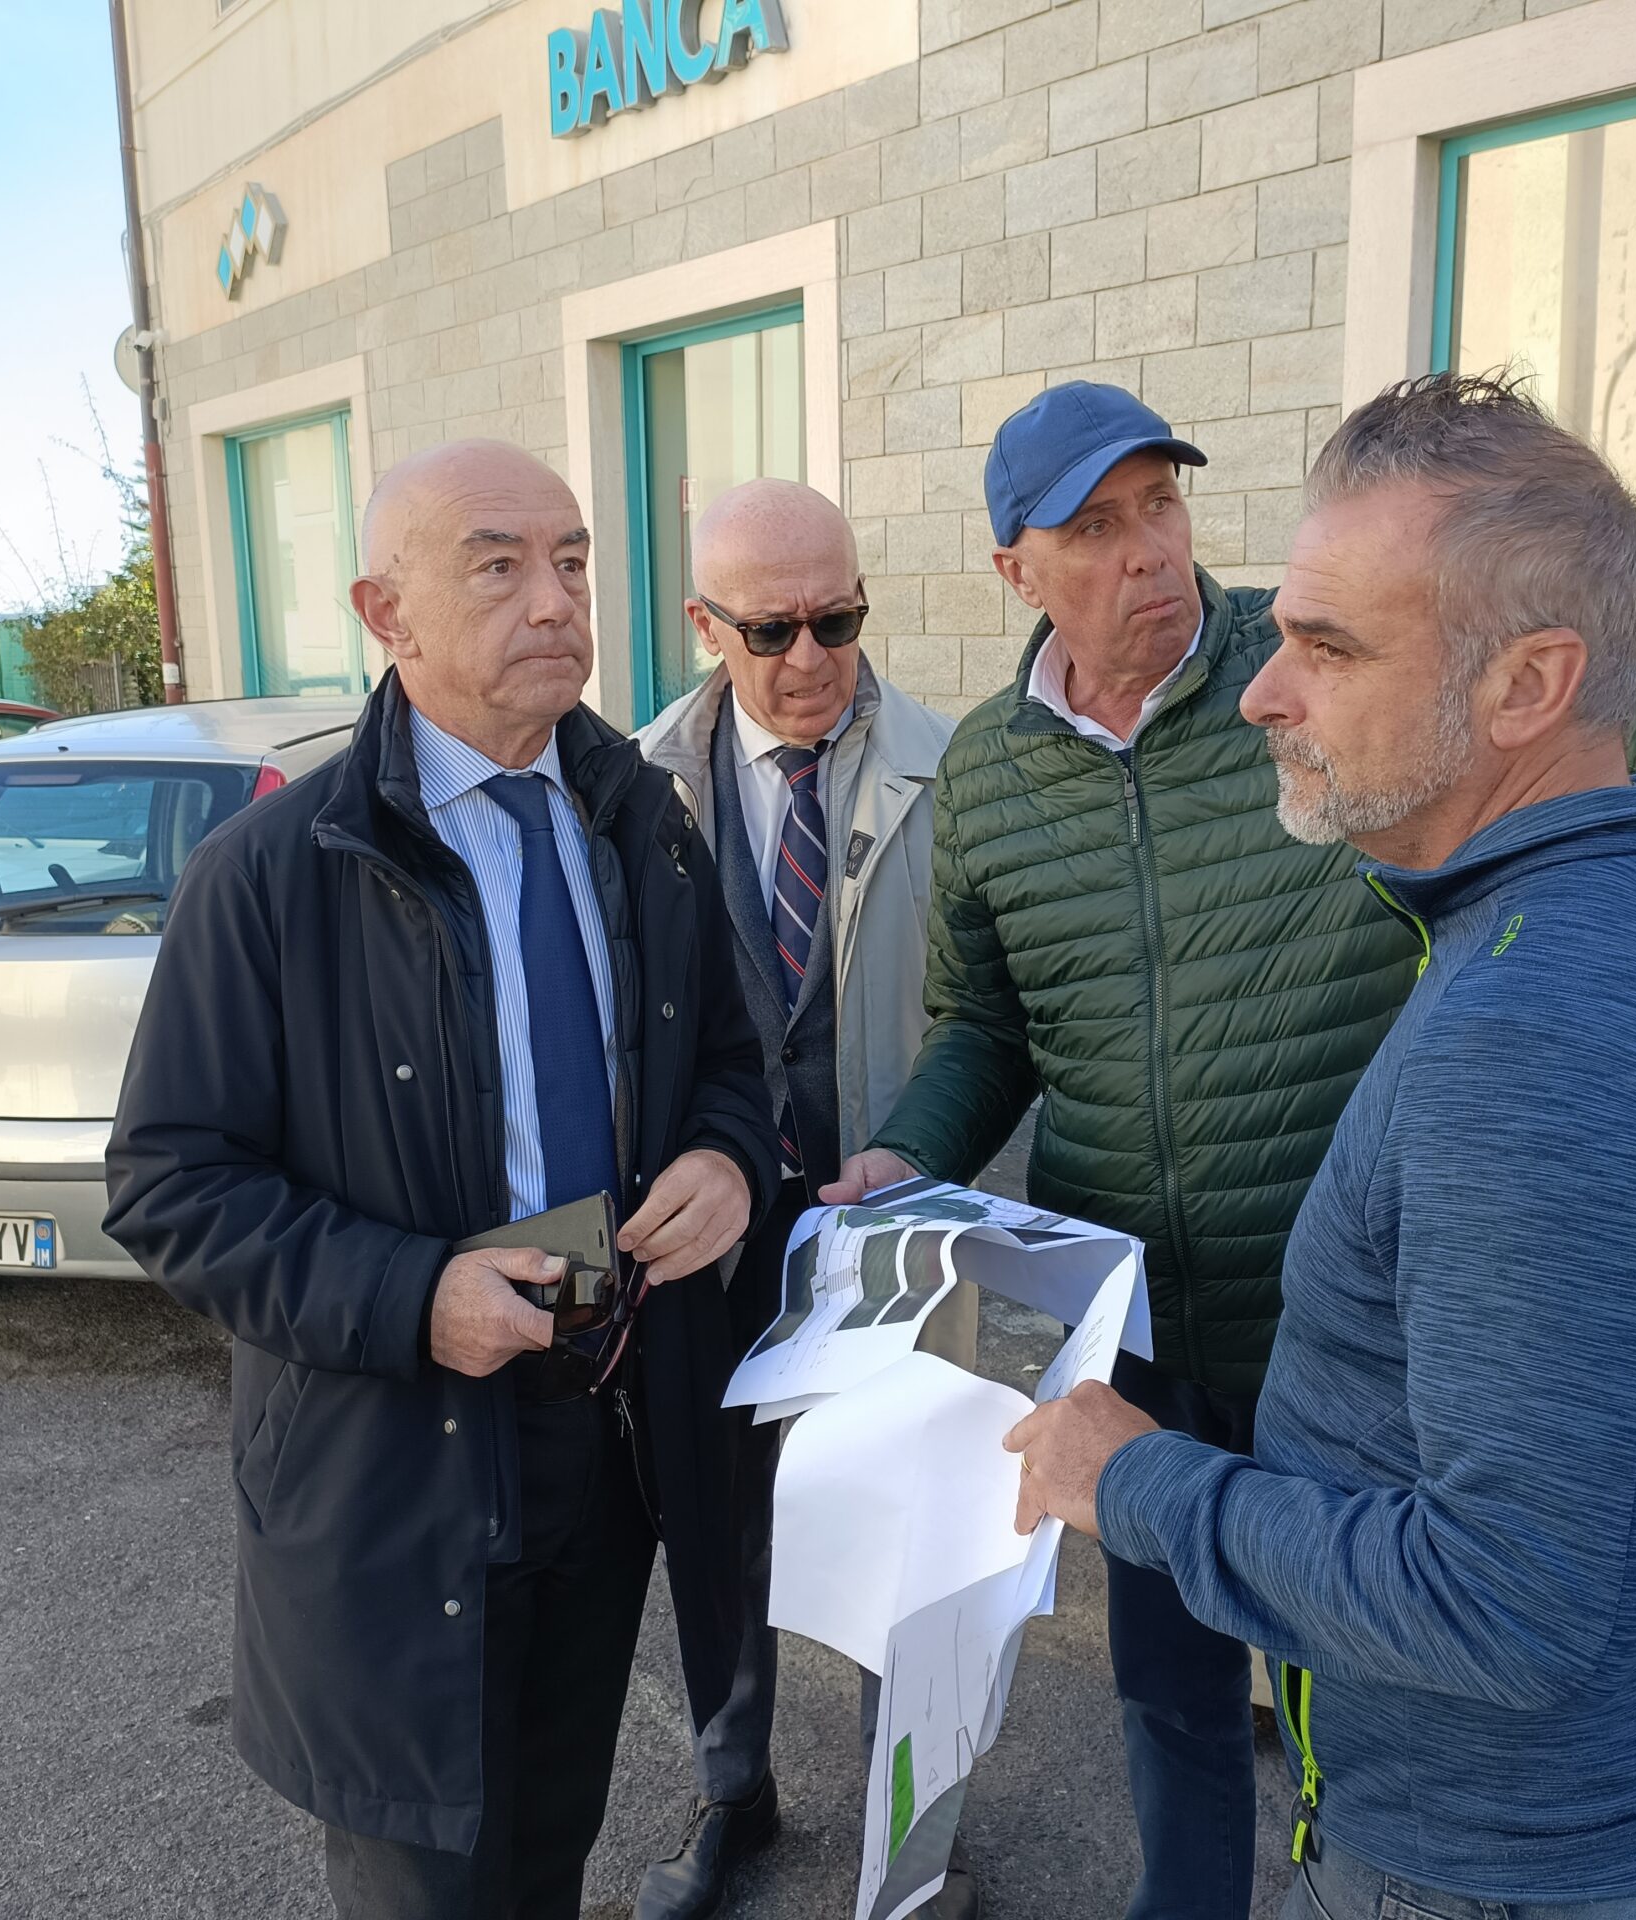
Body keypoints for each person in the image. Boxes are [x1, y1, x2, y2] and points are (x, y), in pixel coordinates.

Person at [822, 377, 1636, 1918]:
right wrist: (909, 1153)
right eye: (1094, 526)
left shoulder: (1490, 933)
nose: (1154, 552)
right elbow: (985, 1020)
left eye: (1160, 502)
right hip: (1144, 1330)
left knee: (1347, 1633)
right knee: (1179, 1695)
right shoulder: (997, 773)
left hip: (1394, 1352)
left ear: (1529, 686)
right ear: (1015, 570)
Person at [1003, 370, 1636, 1914]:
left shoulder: (1531, 1046)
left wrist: (1132, 1480)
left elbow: (1507, 1601)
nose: (1263, 693)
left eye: (1329, 650)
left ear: (1529, 685)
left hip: (1508, 1862)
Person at [102, 439, 777, 1920]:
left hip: (607, 1432)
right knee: (431, 1883)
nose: (554, 600)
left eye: (573, 561)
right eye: (497, 565)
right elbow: (170, 1185)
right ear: (385, 612)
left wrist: (729, 1159)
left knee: (550, 1849)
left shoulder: (642, 825)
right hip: (402, 1469)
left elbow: (734, 1059)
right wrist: (416, 1297)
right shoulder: (275, 874)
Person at [629, 478, 974, 1920]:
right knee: (716, 1531)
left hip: (891, 1217)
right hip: (709, 1235)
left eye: (839, 618)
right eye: (772, 630)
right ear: (704, 626)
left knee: (916, 1541)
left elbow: (989, 1015)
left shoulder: (955, 773)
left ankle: (917, 1836)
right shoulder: (631, 788)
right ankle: (735, 1792)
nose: (812, 656)